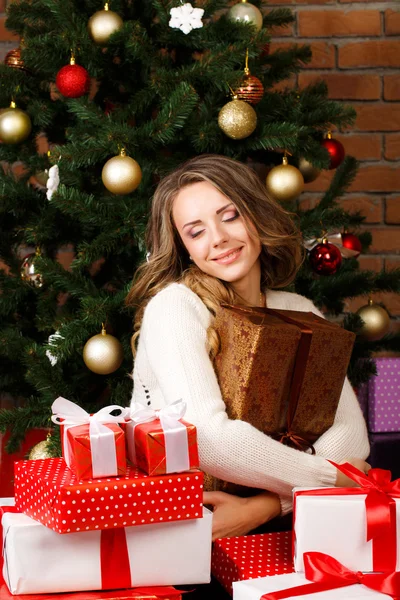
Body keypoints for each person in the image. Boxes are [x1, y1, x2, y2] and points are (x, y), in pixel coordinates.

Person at [126, 154, 370, 542]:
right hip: (194, 530)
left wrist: (269, 506)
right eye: (196, 231)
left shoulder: (299, 310)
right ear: (184, 247)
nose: (218, 238)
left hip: (293, 529)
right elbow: (207, 439)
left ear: (255, 215)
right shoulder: (176, 307)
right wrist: (330, 478)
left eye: (230, 215)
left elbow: (351, 435)